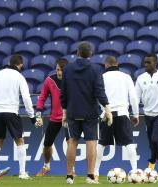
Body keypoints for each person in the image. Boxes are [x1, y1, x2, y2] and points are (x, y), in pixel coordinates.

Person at [61, 42, 113, 184]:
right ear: (90, 54)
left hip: (72, 111)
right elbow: (99, 91)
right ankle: (90, 176)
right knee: (91, 142)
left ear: (77, 53)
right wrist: (107, 109)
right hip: (90, 112)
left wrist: (64, 112)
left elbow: (63, 93)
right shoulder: (96, 69)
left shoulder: (67, 69)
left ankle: (69, 176)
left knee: (72, 142)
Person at [0, 54, 38, 180]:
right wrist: (32, 116)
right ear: (21, 64)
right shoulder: (19, 77)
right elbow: (26, 98)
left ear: (9, 62)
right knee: (20, 141)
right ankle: (22, 173)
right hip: (11, 111)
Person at [94, 56, 139, 181]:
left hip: (106, 115)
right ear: (117, 64)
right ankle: (135, 171)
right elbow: (134, 98)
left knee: (101, 143)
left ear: (106, 65)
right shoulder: (126, 77)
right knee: (129, 142)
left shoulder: (101, 77)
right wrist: (135, 114)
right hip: (122, 114)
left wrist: (102, 112)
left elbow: (96, 96)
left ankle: (95, 173)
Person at [35, 58, 73, 176]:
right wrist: (38, 114)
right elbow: (42, 97)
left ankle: (71, 171)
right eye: (57, 70)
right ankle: (46, 167)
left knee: (71, 143)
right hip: (55, 118)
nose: (59, 72)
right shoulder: (49, 80)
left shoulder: (73, 80)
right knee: (47, 144)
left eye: (61, 70)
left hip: (69, 118)